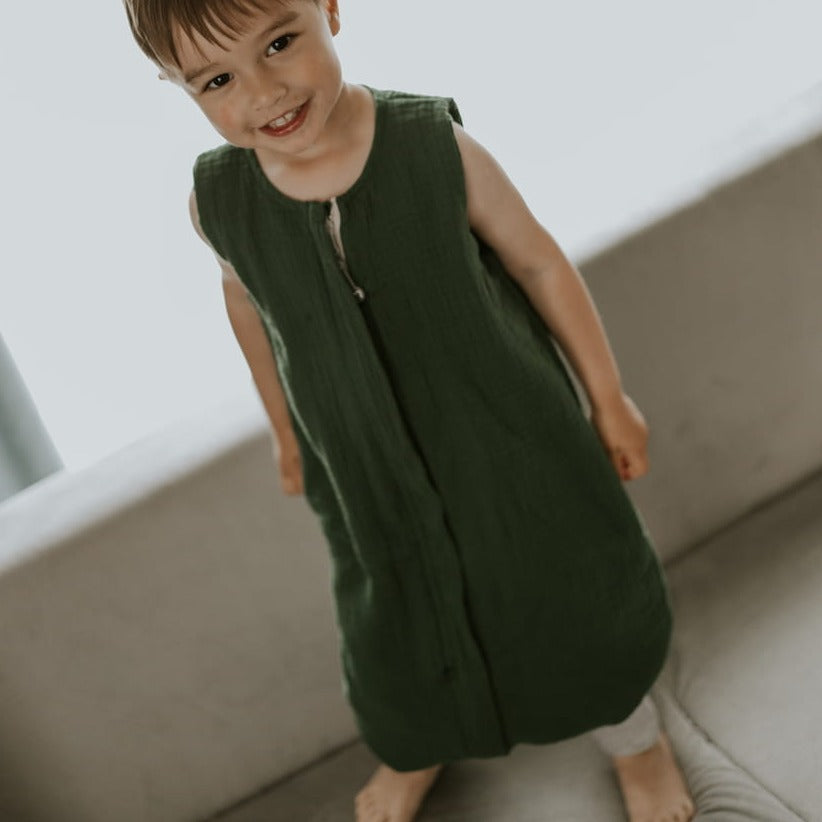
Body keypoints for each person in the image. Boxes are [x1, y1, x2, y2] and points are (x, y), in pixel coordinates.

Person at [123, 0, 697, 819]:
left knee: (572, 590)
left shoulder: (434, 147)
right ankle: (418, 744)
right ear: (178, 87)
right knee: (394, 617)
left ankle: (635, 740)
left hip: (510, 440)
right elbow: (250, 312)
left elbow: (538, 264)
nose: (263, 92)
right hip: (362, 464)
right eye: (216, 81)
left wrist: (609, 399)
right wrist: (286, 431)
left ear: (328, 9)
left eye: (279, 42)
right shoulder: (217, 203)